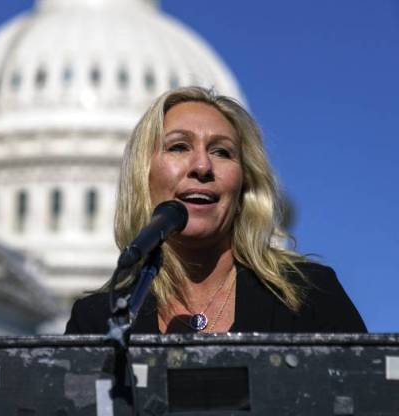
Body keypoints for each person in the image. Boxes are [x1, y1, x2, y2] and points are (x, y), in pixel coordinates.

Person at [65, 87, 365, 334]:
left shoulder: (307, 294)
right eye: (179, 147)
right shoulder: (97, 320)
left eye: (221, 152)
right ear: (143, 176)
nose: (202, 166)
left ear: (244, 183)